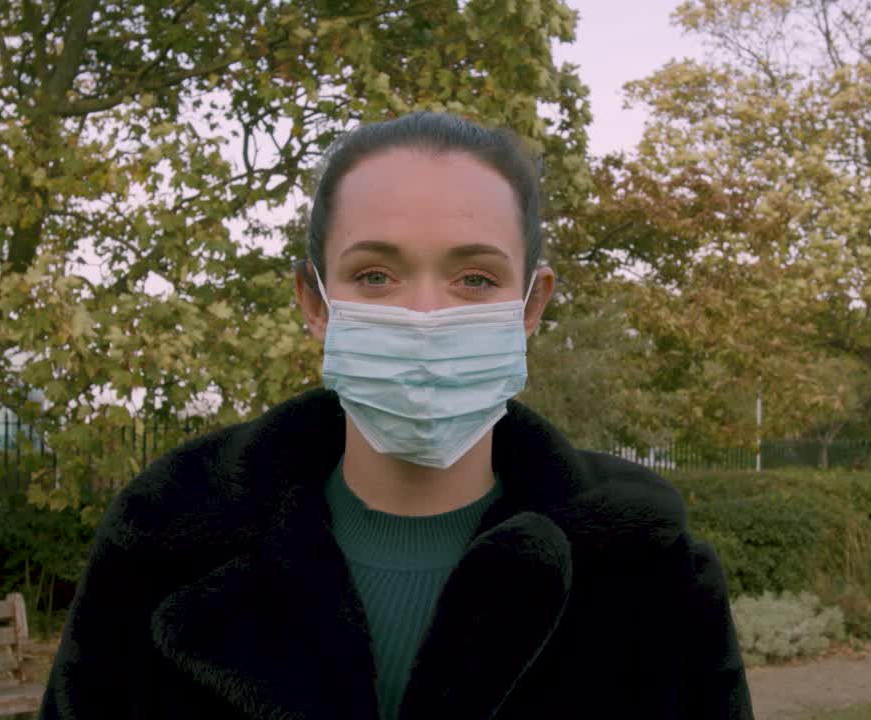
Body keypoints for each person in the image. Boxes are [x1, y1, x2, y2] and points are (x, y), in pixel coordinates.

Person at [39, 112, 753, 720]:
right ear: (315, 302)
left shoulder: (647, 566)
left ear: (530, 305)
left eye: (475, 278)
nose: (423, 318)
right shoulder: (163, 541)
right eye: (374, 275)